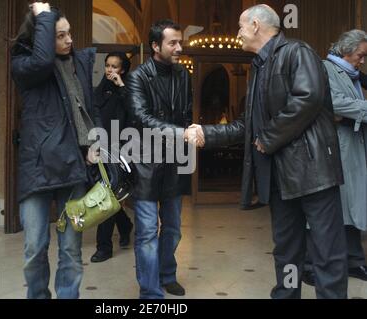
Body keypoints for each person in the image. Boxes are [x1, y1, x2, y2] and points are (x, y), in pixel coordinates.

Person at [185, 4, 348, 299]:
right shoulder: (258, 67)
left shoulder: (297, 52)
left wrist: (268, 138)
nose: (237, 34)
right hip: (280, 179)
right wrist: (206, 133)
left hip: (313, 173)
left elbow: (308, 99)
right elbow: (247, 126)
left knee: (327, 253)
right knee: (287, 251)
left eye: (239, 27)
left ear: (256, 26)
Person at [11, 2, 100, 299]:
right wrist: (44, 15)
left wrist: (92, 143)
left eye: (70, 34)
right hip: (36, 168)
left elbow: (88, 108)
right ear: (42, 38)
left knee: (71, 249)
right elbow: (41, 62)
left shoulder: (80, 62)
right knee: (34, 248)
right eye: (59, 36)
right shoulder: (25, 66)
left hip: (73, 166)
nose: (69, 40)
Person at [125, 19, 192, 299]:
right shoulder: (138, 77)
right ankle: (151, 293)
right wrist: (181, 133)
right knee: (147, 233)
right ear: (155, 46)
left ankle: (167, 274)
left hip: (176, 161)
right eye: (172, 42)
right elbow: (141, 119)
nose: (179, 47)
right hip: (146, 164)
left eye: (180, 41)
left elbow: (186, 112)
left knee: (174, 229)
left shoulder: (183, 75)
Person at [302, 30, 367, 285]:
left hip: (352, 147)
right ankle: (309, 264)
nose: (362, 61)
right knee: (326, 211)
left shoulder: (353, 76)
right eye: (360, 55)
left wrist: (353, 112)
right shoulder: (324, 68)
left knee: (354, 207)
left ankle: (354, 261)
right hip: (333, 150)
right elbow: (332, 103)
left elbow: (344, 109)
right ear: (346, 50)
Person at [90, 52, 133, 263]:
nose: (109, 70)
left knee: (107, 196)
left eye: (114, 66)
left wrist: (122, 86)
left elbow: (134, 114)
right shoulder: (99, 91)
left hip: (119, 151)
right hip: (100, 149)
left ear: (122, 70)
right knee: (107, 195)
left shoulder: (127, 91)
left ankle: (103, 247)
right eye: (107, 65)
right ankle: (125, 225)